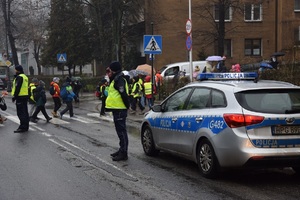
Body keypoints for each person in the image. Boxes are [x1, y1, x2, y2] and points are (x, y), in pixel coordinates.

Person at [105, 61, 130, 161]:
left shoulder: (119, 79)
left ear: (113, 70)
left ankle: (124, 153)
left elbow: (123, 94)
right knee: (120, 131)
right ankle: (121, 150)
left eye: (109, 70)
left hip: (120, 109)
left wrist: (127, 105)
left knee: (122, 132)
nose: (108, 72)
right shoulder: (115, 78)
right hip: (117, 109)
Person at [11, 65, 29, 133]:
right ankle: (26, 126)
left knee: (20, 113)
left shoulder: (19, 77)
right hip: (24, 96)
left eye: (15, 70)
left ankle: (22, 127)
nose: (15, 71)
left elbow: (17, 87)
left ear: (18, 70)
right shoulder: (25, 77)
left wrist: (15, 97)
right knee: (25, 112)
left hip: (20, 97)